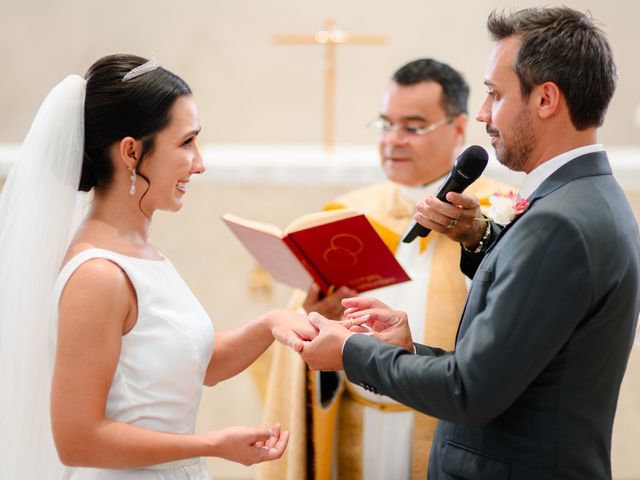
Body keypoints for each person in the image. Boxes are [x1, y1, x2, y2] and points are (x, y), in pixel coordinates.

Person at [299, 7, 640, 479]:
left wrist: (350, 351)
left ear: (545, 99)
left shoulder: (559, 221)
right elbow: (511, 371)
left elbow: (469, 392)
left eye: (495, 96)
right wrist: (411, 351)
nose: (482, 114)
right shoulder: (591, 197)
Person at [0, 54, 314, 480]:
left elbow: (189, 364)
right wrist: (210, 445)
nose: (199, 163)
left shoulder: (140, 252)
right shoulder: (98, 275)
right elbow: (77, 439)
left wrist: (270, 324)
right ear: (131, 152)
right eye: (186, 143)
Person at [258, 59, 508, 480]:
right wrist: (317, 319)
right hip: (356, 430)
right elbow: (301, 366)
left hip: (445, 427)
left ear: (459, 128)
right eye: (385, 125)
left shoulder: (495, 216)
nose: (393, 140)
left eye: (412, 127)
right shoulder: (346, 218)